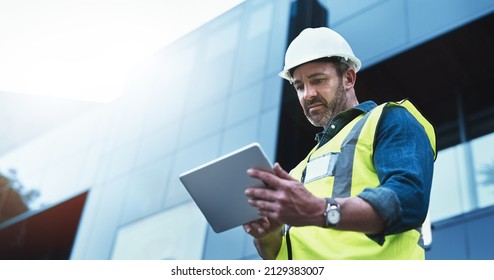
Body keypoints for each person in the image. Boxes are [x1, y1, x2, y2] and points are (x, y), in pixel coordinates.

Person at [242, 27, 436, 260]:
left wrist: (320, 211)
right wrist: (268, 235)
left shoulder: (389, 119)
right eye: (299, 86)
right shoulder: (296, 172)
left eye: (318, 80)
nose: (307, 94)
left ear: (348, 78)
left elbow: (409, 199)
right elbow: (280, 256)